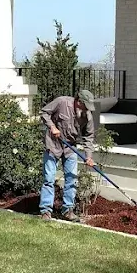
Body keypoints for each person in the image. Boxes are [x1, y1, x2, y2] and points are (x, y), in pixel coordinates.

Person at [39, 88, 96, 220]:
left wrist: (89, 157)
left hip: (70, 147)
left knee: (72, 178)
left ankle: (68, 210)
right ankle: (46, 211)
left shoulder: (87, 116)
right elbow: (44, 113)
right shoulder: (62, 102)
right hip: (53, 145)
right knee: (49, 179)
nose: (87, 109)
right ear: (79, 101)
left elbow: (89, 137)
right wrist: (52, 127)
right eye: (85, 106)